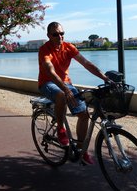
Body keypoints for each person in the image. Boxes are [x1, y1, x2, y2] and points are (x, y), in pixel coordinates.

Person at [38, 21, 111, 165]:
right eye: (55, 34)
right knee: (60, 95)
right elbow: (50, 71)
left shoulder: (68, 47)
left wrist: (106, 78)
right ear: (48, 36)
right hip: (47, 83)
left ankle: (80, 150)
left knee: (84, 115)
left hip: (65, 83)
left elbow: (86, 63)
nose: (59, 36)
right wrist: (65, 89)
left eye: (62, 33)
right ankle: (60, 129)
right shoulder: (44, 50)